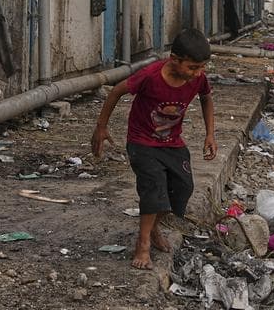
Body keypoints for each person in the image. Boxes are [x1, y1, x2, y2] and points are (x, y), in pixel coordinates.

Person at [92, 28, 217, 269]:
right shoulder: (150, 76)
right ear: (175, 59)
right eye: (192, 67)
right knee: (153, 190)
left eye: (201, 67)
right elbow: (117, 91)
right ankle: (143, 243)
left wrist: (210, 134)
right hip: (142, 142)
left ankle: (153, 227)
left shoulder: (198, 78)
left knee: (183, 188)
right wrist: (101, 127)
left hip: (172, 143)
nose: (198, 73)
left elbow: (206, 98)